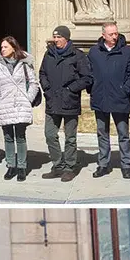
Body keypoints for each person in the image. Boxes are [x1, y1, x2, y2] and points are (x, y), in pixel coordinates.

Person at [39, 25, 92, 182]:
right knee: (50, 134)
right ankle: (58, 165)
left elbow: (87, 78)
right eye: (54, 37)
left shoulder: (78, 55)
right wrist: (47, 88)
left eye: (59, 37)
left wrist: (71, 89)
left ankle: (69, 167)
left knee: (70, 137)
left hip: (70, 101)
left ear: (66, 38)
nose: (56, 40)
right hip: (52, 101)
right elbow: (42, 73)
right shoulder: (49, 54)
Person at [88, 22, 130, 179]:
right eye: (111, 34)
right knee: (102, 133)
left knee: (123, 133)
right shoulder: (94, 51)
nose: (114, 36)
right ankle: (103, 164)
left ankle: (126, 165)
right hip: (100, 98)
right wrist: (92, 89)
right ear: (103, 35)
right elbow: (88, 72)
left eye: (116, 33)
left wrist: (125, 90)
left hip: (120, 99)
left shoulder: (127, 51)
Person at [0, 36, 40, 182]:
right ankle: (11, 165)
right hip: (5, 104)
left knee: (20, 136)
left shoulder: (24, 63)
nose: (2, 49)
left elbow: (33, 83)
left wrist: (28, 98)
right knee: (8, 137)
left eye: (5, 47)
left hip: (20, 104)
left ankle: (22, 167)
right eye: (2, 47)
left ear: (13, 47)